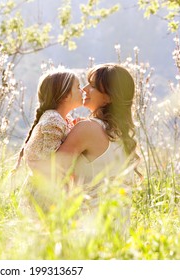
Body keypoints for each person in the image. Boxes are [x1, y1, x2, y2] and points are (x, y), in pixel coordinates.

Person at [57, 63, 140, 233]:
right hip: (118, 233)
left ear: (109, 97)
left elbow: (50, 170)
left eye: (93, 86)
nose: (85, 89)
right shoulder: (121, 137)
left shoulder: (88, 128)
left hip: (88, 231)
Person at [13, 68, 83, 175]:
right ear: (65, 96)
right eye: (78, 87)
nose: (82, 91)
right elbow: (50, 163)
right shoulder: (53, 120)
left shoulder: (63, 118)